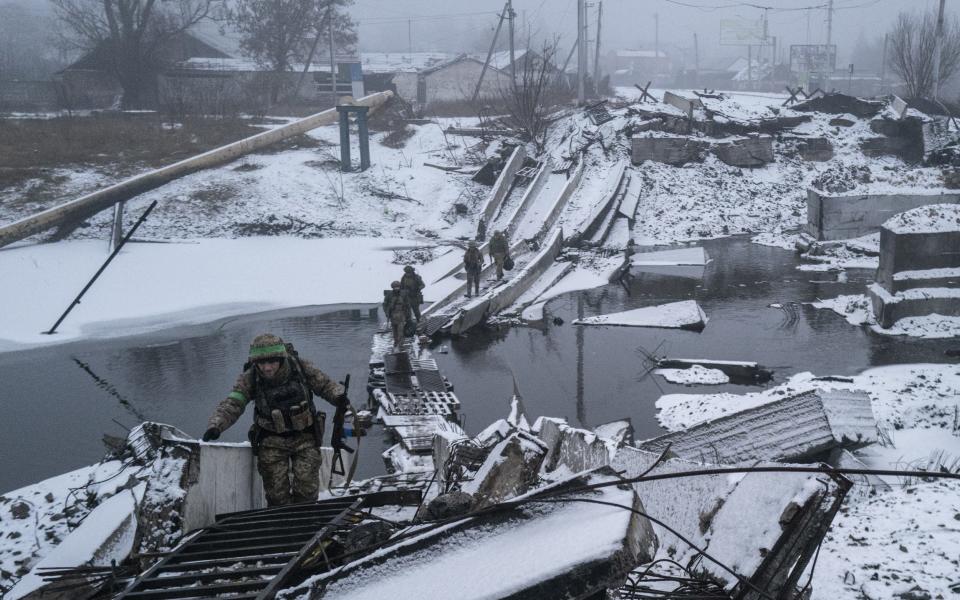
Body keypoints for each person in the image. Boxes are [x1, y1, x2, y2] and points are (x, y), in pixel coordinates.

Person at [202, 334, 347, 507]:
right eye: (262, 363)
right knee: (277, 496)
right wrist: (216, 425)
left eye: (271, 362)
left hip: (305, 437)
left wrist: (339, 397)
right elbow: (233, 403)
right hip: (271, 441)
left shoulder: (300, 367)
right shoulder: (250, 378)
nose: (267, 368)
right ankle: (285, 525)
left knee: (307, 490)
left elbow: (324, 385)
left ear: (281, 359)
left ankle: (305, 524)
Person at [383, 280, 413, 349]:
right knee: (394, 331)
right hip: (393, 315)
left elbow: (408, 305)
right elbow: (385, 304)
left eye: (397, 287)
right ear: (392, 287)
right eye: (395, 287)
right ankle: (396, 342)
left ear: (399, 287)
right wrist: (387, 313)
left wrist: (409, 316)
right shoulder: (389, 295)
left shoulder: (403, 294)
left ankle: (400, 345)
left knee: (400, 331)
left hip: (401, 315)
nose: (396, 288)